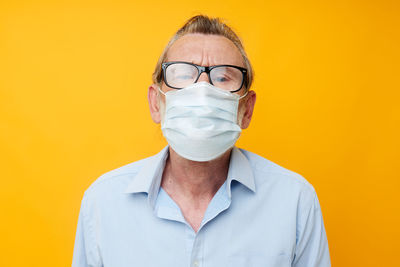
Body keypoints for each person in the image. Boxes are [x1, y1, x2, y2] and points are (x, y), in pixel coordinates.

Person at [72, 15, 330, 267]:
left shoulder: (294, 201)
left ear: (247, 110)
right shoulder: (103, 203)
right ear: (155, 103)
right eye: (183, 75)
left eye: (223, 78)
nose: (203, 89)